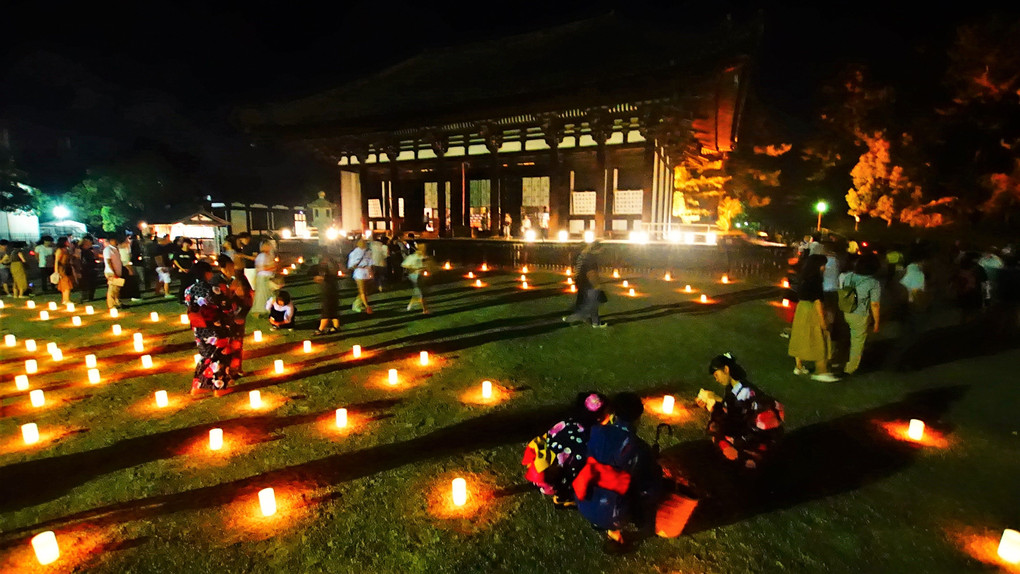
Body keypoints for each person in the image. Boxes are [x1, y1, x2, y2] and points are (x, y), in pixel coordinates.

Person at [573, 392, 661, 553]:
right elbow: (647, 489)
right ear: (638, 418)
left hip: (584, 502)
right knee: (651, 489)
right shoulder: (640, 449)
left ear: (614, 413)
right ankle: (626, 524)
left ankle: (608, 524)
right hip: (614, 514)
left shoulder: (596, 432)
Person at [698, 353, 785, 470]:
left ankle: (748, 461)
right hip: (749, 430)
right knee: (719, 434)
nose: (716, 379)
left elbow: (736, 417)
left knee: (720, 439)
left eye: (716, 374)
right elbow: (731, 410)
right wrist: (714, 403)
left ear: (726, 369)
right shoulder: (735, 389)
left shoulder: (746, 392)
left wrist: (717, 407)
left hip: (757, 437)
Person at [523, 392, 609, 506]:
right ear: (599, 417)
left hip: (539, 471)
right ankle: (563, 497)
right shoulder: (593, 438)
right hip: (556, 481)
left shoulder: (565, 423)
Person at [185, 261, 237, 396]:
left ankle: (198, 386)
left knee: (205, 355)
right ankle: (219, 388)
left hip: (199, 327)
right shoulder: (212, 289)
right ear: (207, 273)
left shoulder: (189, 289)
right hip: (215, 326)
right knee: (220, 355)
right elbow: (226, 306)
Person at [788, 254, 837, 381]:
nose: (824, 268)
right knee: (820, 338)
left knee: (800, 336)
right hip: (811, 310)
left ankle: (798, 367)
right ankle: (821, 371)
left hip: (801, 309)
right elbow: (817, 302)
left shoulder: (803, 277)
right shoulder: (816, 280)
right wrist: (822, 321)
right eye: (823, 265)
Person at [839, 253, 882, 374]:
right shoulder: (873, 283)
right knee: (857, 343)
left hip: (846, 311)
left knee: (846, 338)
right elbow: (875, 304)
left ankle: (839, 360)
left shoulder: (849, 276)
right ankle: (850, 369)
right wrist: (877, 322)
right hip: (860, 314)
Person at [215, 255, 253, 376]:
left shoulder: (237, 278)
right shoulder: (217, 282)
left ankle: (236, 368)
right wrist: (231, 291)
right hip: (224, 319)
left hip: (239, 315)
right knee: (225, 345)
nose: (233, 269)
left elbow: (247, 293)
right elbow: (218, 301)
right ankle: (225, 370)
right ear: (223, 268)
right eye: (230, 267)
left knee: (237, 344)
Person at [563, 241, 607, 328]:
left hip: (585, 284)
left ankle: (595, 323)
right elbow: (590, 272)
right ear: (597, 249)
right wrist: (597, 285)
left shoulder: (587, 257)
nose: (602, 251)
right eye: (601, 249)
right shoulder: (590, 258)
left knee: (592, 305)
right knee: (589, 306)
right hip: (589, 285)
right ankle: (570, 319)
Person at [313, 250, 341, 335]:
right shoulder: (333, 263)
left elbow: (325, 276)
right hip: (333, 289)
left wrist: (320, 278)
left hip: (328, 290)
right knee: (333, 310)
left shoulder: (327, 264)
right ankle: (336, 327)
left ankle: (321, 329)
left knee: (326, 310)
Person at [401, 242, 430, 314]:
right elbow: (404, 264)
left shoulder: (421, 256)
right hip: (415, 276)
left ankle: (411, 305)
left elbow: (425, 262)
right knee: (420, 293)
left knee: (418, 292)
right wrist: (413, 268)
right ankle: (425, 310)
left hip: (419, 275)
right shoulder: (413, 257)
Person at [251, 240, 277, 317]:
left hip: (267, 277)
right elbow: (262, 267)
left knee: (269, 294)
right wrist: (272, 266)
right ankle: (259, 311)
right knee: (263, 295)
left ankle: (268, 309)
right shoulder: (262, 256)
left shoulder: (268, 255)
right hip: (263, 277)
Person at [347, 238, 374, 313]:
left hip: (367, 272)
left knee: (366, 291)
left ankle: (357, 303)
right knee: (362, 291)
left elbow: (371, 262)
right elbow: (351, 265)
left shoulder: (368, 252)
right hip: (359, 272)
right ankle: (366, 306)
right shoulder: (354, 253)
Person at [53, 237, 77, 305]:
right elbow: (56, 261)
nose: (68, 243)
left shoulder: (66, 249)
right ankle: (66, 300)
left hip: (67, 268)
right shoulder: (59, 250)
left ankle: (65, 299)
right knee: (65, 284)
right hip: (62, 269)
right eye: (67, 241)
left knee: (68, 283)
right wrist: (56, 271)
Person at [103, 235, 124, 309]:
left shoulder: (116, 249)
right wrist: (113, 272)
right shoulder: (108, 249)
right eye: (114, 240)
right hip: (111, 272)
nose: (116, 242)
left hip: (117, 271)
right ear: (110, 241)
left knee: (117, 288)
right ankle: (111, 304)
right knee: (112, 288)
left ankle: (117, 301)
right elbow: (109, 261)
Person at [172, 238, 196, 302]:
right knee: (183, 284)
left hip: (189, 270)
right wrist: (181, 268)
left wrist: (191, 268)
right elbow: (175, 261)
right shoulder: (178, 252)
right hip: (181, 271)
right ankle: (181, 297)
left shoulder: (191, 252)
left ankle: (189, 297)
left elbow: (193, 260)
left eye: (188, 244)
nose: (187, 245)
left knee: (190, 284)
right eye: (186, 243)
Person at [77, 235, 98, 302]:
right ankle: (84, 297)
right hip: (84, 269)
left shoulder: (89, 250)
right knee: (85, 284)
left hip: (91, 268)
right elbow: (78, 260)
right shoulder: (80, 250)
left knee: (92, 284)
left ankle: (90, 297)